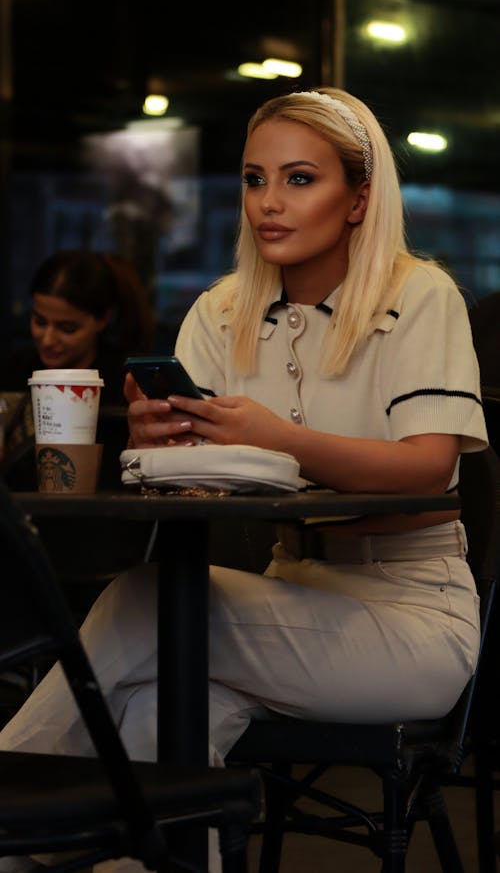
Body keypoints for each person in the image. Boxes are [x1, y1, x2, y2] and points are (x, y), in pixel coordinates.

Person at [0, 87, 488, 873]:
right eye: (254, 179)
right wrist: (164, 446)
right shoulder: (223, 309)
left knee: (143, 598)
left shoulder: (418, 296)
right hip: (283, 594)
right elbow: (201, 484)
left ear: (360, 196)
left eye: (299, 179)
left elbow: (430, 464)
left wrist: (279, 439)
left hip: (410, 618)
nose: (269, 202)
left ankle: (7, 824)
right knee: (157, 722)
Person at [0, 250, 156, 487]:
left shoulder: (126, 380)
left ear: (102, 320)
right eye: (40, 321)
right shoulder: (15, 369)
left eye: (67, 328)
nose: (48, 339)